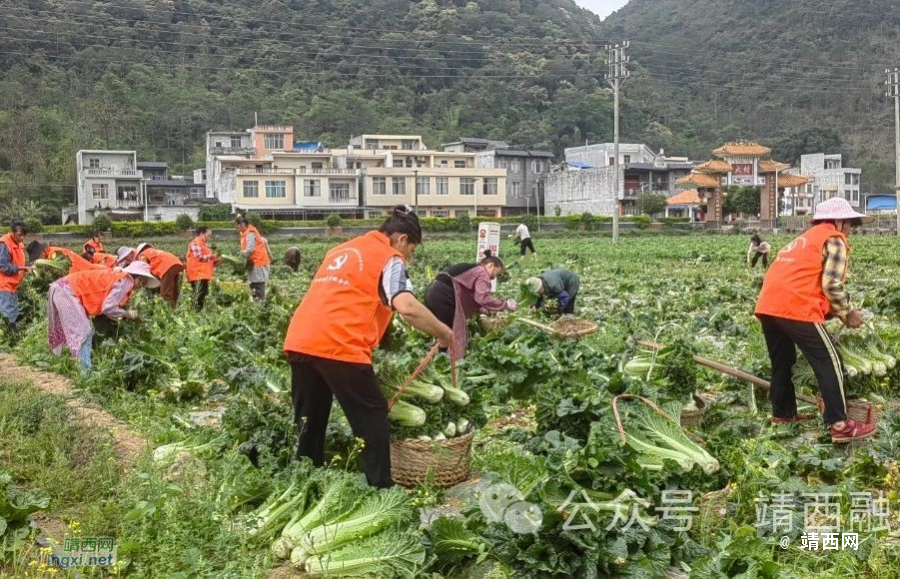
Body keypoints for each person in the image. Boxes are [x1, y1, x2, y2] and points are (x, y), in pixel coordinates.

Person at [283, 205, 454, 488]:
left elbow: (346, 296)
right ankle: (381, 488)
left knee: (309, 419)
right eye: (411, 249)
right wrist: (444, 332)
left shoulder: (342, 250)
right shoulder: (389, 257)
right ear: (402, 239)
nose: (408, 256)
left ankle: (303, 482)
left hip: (301, 339)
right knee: (372, 413)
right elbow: (406, 307)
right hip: (339, 342)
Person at [755, 197, 876, 443]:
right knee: (829, 360)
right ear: (840, 221)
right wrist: (847, 312)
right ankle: (840, 424)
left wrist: (834, 313)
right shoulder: (834, 239)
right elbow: (831, 284)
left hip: (769, 304)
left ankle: (783, 416)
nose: (851, 231)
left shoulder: (803, 240)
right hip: (795, 305)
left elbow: (801, 279)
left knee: (782, 362)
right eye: (851, 225)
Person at [47, 261, 158, 368]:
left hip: (63, 288)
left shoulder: (120, 277)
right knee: (83, 333)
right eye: (141, 281)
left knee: (76, 331)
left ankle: (67, 362)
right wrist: (127, 314)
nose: (141, 285)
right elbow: (108, 307)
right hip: (67, 291)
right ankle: (84, 372)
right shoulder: (126, 281)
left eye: (144, 284)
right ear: (135, 275)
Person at [424, 250, 518, 358]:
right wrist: (505, 304)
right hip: (443, 296)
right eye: (497, 273)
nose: (493, 278)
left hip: (432, 292)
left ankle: (438, 360)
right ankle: (447, 362)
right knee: (452, 334)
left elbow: (467, 294)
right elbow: (482, 298)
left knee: (441, 331)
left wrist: (481, 309)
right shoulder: (482, 273)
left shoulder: (473, 269)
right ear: (491, 265)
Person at [0, 220, 33, 332]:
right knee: (6, 314)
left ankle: (10, 339)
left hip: (13, 286)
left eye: (24, 235)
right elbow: (4, 266)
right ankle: (5, 341)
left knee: (12, 314)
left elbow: (21, 261)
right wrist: (22, 268)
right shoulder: (4, 244)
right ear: (12, 232)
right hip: (4, 286)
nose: (22, 238)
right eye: (20, 235)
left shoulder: (19, 243)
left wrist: (28, 267)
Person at [135, 243, 185, 308]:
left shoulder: (143, 254)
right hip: (178, 264)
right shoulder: (155, 252)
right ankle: (174, 309)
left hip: (167, 267)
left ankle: (169, 313)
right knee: (174, 292)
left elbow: (144, 269)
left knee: (166, 294)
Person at [236, 217, 271, 302]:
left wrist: (241, 255)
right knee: (254, 284)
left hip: (258, 262)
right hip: (255, 262)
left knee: (258, 284)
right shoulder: (246, 233)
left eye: (238, 227)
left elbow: (250, 249)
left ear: (242, 225)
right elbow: (263, 240)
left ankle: (260, 304)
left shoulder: (250, 233)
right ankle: (258, 303)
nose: (238, 229)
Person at [186, 226, 219, 311]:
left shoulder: (204, 246)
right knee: (199, 296)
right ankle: (195, 314)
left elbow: (209, 261)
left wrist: (218, 260)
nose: (209, 238)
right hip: (197, 274)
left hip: (203, 275)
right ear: (201, 234)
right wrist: (212, 257)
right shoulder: (195, 243)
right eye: (208, 235)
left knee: (202, 296)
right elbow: (199, 257)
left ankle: (197, 315)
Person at [26, 241, 104, 275]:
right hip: (82, 271)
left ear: (41, 253)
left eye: (37, 258)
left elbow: (59, 271)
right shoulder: (50, 252)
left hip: (83, 270)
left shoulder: (54, 254)